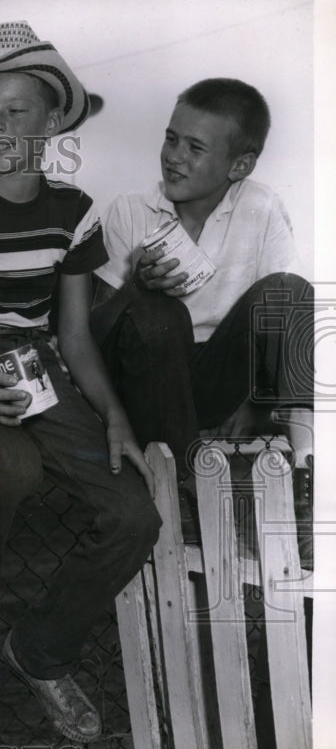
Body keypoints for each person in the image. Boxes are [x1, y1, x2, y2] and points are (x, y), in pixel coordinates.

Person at [0, 21, 161, 743]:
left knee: (135, 513)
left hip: (40, 362)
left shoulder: (75, 211)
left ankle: (41, 648)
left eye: (14, 111)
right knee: (10, 468)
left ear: (53, 119)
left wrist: (114, 414)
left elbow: (75, 335)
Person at [91, 78, 313, 549]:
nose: (174, 156)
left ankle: (306, 472)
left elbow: (281, 313)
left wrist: (258, 401)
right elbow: (95, 332)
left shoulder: (262, 206)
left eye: (194, 147)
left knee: (289, 288)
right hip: (144, 380)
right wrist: (136, 286)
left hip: (216, 378)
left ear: (240, 165)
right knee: (159, 311)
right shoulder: (130, 210)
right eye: (171, 138)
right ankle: (189, 493)